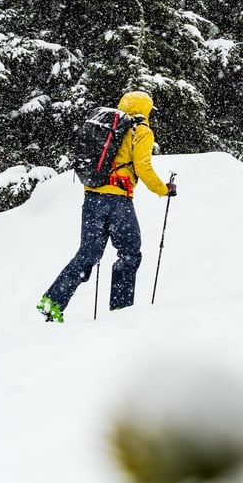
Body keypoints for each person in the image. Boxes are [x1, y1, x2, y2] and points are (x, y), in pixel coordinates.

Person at [37, 91, 175, 322]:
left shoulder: (107, 127)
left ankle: (53, 301)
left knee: (87, 254)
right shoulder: (140, 131)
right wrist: (164, 190)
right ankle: (121, 311)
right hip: (118, 201)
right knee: (129, 253)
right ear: (146, 109)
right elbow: (143, 168)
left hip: (92, 198)